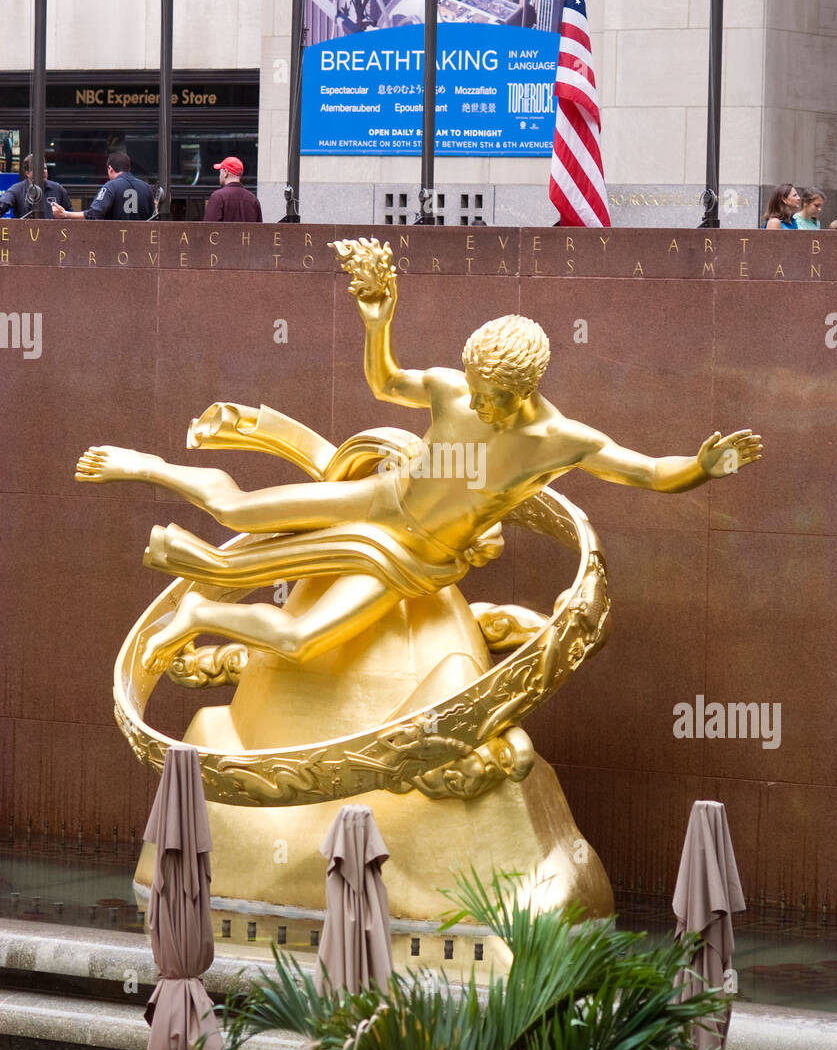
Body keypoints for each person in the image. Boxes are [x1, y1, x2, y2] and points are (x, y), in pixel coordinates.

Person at [75, 248, 762, 675]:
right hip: (382, 498)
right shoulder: (453, 389)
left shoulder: (562, 441)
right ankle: (146, 465)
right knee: (232, 509)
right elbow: (385, 383)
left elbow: (647, 473)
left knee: (298, 637)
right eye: (477, 391)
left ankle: (199, 617)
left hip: (414, 552)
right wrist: (378, 325)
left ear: (527, 391)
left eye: (494, 399)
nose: (479, 405)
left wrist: (704, 467)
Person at [51, 152, 154, 221]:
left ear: (110, 168)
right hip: (141, 243)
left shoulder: (110, 186)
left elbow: (94, 214)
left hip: (116, 242)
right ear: (128, 168)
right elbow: (153, 217)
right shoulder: (146, 187)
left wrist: (65, 214)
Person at [0, 155, 71, 219]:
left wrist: (64, 214)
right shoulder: (17, 190)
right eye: (38, 169)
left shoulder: (57, 189)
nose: (43, 172)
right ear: (27, 173)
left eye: (45, 168)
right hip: (26, 231)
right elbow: (3, 204)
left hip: (53, 231)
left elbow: (71, 215)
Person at [203, 157, 262, 222]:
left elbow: (208, 228)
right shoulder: (253, 199)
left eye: (220, 172)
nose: (219, 176)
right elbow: (259, 229)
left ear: (226, 172)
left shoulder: (218, 196)